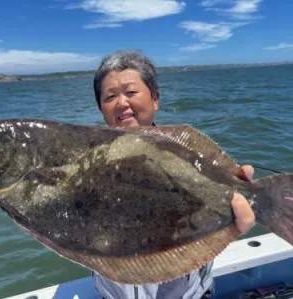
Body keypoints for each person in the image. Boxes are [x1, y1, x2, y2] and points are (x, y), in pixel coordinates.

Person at [91, 49, 255, 299]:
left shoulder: (190, 154)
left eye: (131, 92)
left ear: (155, 98)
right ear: (101, 108)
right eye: (110, 96)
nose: (121, 103)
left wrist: (234, 219)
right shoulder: (89, 164)